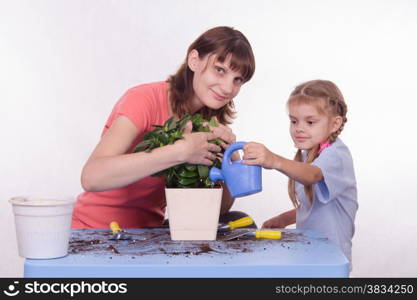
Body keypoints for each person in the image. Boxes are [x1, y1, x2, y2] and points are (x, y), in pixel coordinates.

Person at [71, 26, 256, 229]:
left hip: (149, 236)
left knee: (240, 222)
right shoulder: (143, 100)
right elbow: (91, 177)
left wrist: (230, 157)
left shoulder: (208, 123)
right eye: (219, 70)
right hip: (94, 231)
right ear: (194, 60)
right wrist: (180, 151)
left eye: (237, 80)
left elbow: (218, 210)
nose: (228, 88)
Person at [242, 80, 358, 266]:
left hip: (331, 261)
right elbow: (316, 207)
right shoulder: (308, 155)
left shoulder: (336, 154)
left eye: (310, 122)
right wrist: (285, 219)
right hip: (312, 255)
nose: (299, 128)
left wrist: (274, 160)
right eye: (294, 121)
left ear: (335, 124)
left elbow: (312, 175)